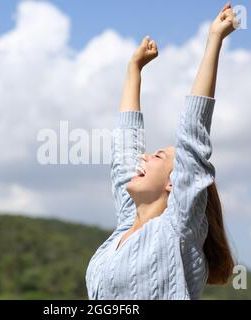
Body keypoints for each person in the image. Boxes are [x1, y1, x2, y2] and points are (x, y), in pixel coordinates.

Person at [85, 2, 237, 299]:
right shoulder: (126, 225)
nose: (143, 157)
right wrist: (134, 70)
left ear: (174, 182)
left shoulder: (179, 227)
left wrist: (214, 41)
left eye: (156, 156)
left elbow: (193, 136)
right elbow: (124, 149)